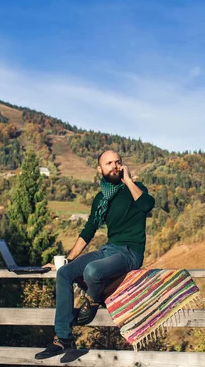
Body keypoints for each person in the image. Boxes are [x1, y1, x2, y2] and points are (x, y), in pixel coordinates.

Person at [34, 150, 155, 360]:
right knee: (65, 273)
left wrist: (128, 181)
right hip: (109, 249)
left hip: (130, 253)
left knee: (93, 270)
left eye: (118, 162)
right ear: (100, 169)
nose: (114, 166)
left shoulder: (136, 189)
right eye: (109, 163)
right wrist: (67, 261)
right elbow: (89, 230)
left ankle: (92, 301)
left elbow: (147, 205)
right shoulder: (101, 198)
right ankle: (63, 338)